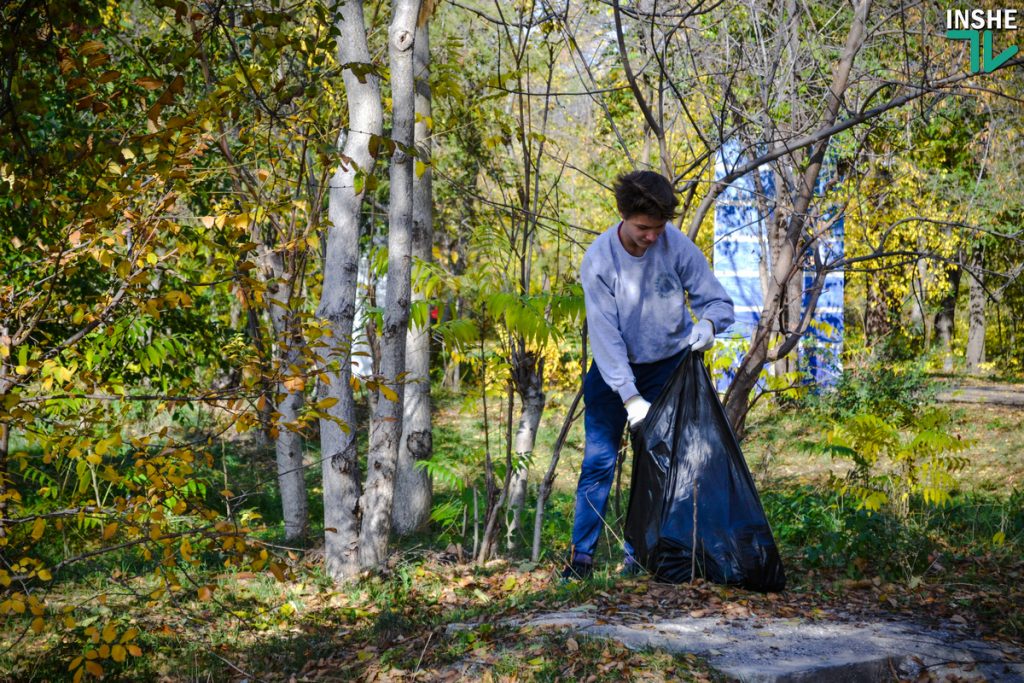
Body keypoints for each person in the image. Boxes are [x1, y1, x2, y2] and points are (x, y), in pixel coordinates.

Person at [563, 170, 735, 580]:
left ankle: (640, 556)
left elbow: (719, 302)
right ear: (623, 216)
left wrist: (709, 326)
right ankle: (581, 558)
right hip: (613, 372)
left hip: (668, 369)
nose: (652, 237)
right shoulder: (600, 261)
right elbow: (605, 339)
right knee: (599, 461)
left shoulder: (676, 247)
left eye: (659, 228)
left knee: (658, 464)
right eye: (644, 228)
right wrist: (629, 396)